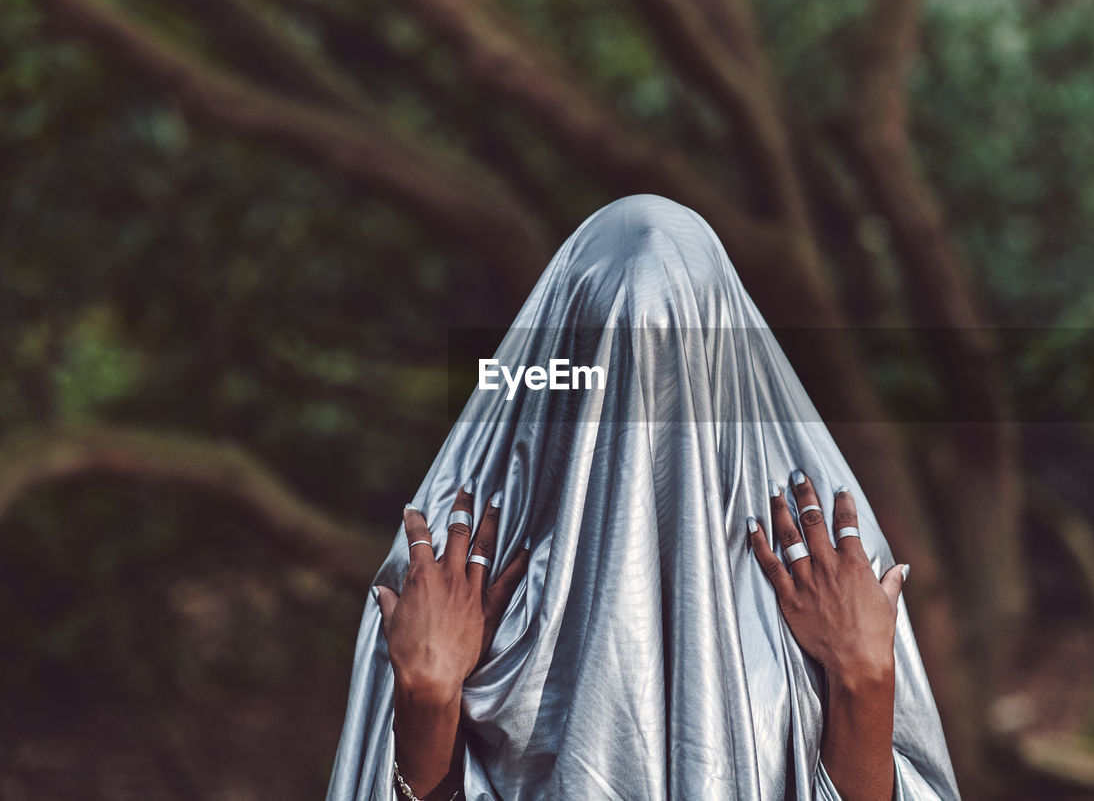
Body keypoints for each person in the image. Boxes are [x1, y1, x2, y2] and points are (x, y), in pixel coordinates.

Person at [327, 194, 960, 800]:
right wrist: (428, 697)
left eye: (678, 352)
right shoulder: (452, 575)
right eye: (611, 349)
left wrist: (864, 679)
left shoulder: (823, 563)